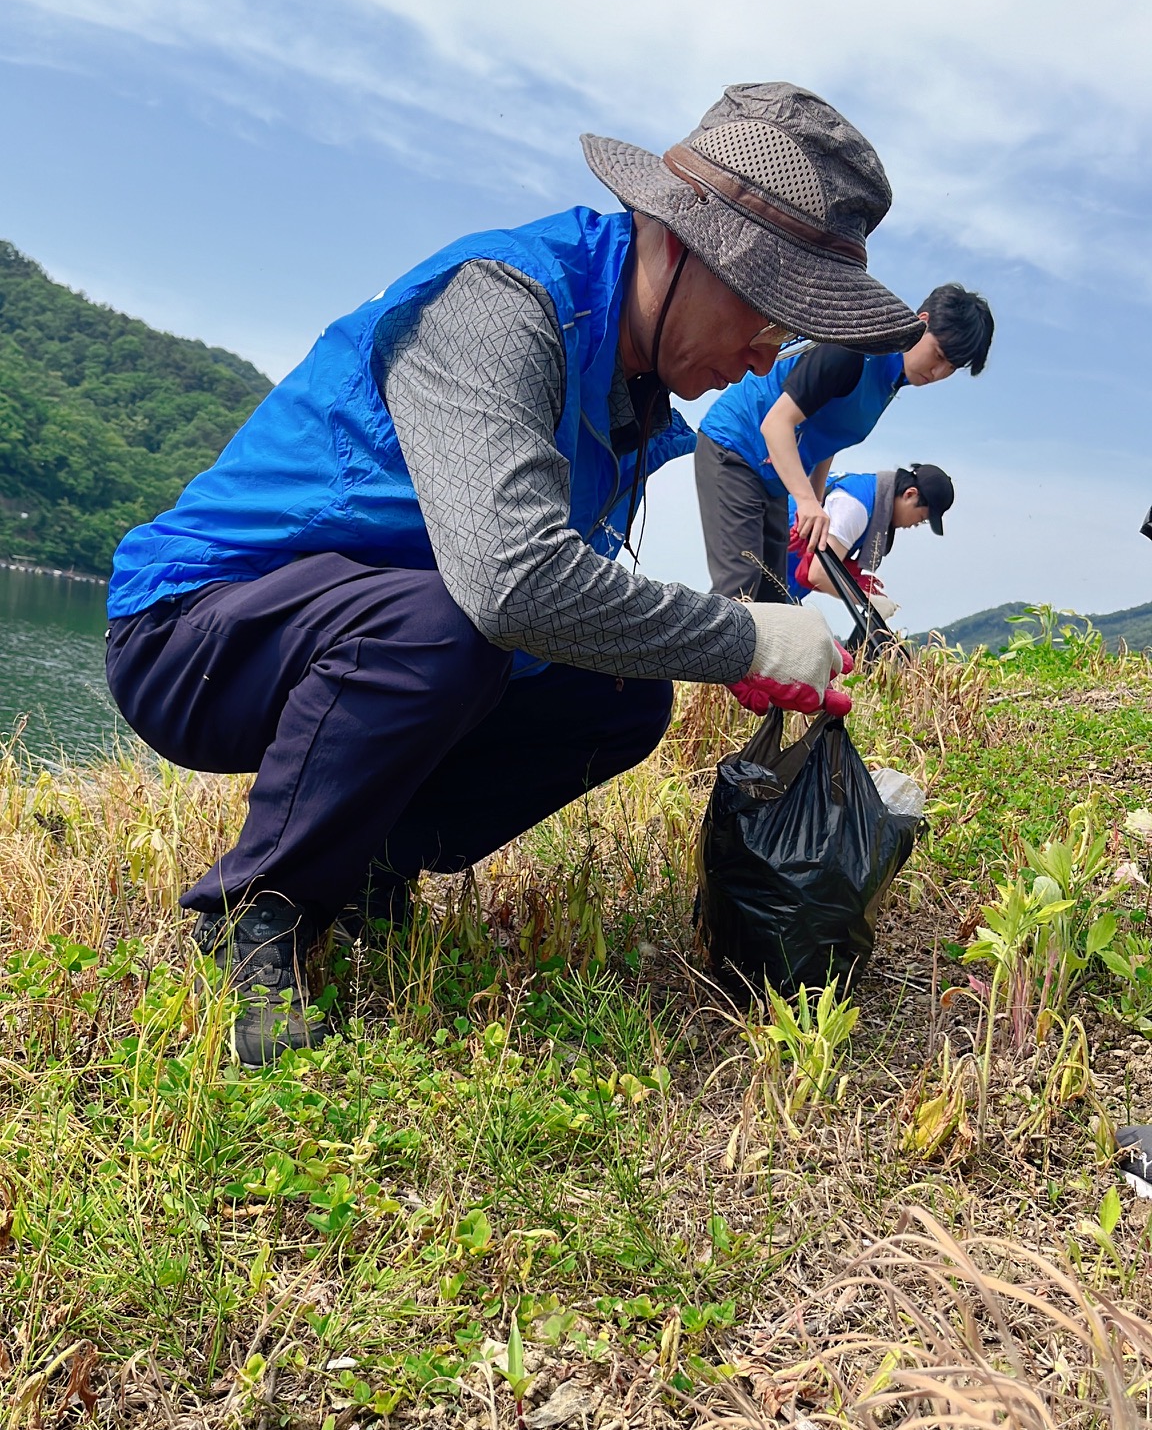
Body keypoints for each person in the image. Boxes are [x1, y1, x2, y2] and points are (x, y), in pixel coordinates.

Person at [104, 81, 924, 1065]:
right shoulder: (504, 304)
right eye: (762, 306)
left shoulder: (629, 396)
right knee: (451, 623)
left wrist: (712, 650)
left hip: (370, 631)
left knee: (621, 698)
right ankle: (260, 911)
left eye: (789, 332)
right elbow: (508, 582)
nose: (763, 356)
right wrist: (747, 630)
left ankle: (366, 863)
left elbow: (554, 608)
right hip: (194, 629)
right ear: (669, 240)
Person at [694, 283, 992, 600]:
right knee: (741, 586)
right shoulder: (855, 349)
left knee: (774, 598)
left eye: (952, 367)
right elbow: (776, 424)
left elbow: (828, 434)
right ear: (921, 322)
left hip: (773, 475)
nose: (939, 371)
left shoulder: (891, 380)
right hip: (737, 447)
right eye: (939, 355)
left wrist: (816, 498)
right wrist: (806, 502)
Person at [785, 463, 955, 611]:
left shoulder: (871, 492)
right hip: (767, 570)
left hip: (782, 582)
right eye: (921, 518)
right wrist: (867, 601)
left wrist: (851, 578)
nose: (915, 525)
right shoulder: (855, 507)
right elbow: (818, 574)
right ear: (910, 494)